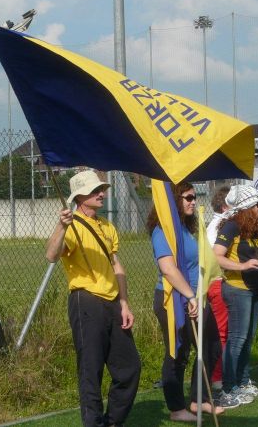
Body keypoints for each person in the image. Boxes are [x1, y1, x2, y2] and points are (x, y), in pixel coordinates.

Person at [46, 170, 141, 427]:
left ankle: (111, 422)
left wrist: (124, 303)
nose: (102, 193)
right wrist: (60, 225)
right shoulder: (72, 225)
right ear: (79, 196)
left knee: (129, 368)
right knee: (91, 371)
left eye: (102, 189)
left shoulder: (108, 226)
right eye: (95, 190)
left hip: (113, 303)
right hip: (85, 301)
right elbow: (52, 255)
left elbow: (117, 266)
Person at [148, 182, 231, 423]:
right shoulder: (162, 231)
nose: (193, 201)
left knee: (212, 345)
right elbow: (168, 269)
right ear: (174, 201)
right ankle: (176, 408)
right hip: (174, 300)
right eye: (187, 197)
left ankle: (199, 399)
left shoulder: (185, 229)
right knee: (178, 353)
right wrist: (189, 296)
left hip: (196, 298)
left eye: (194, 197)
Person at [213, 184, 258, 405]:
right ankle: (229, 387)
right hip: (237, 290)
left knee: (247, 339)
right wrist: (243, 267)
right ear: (246, 207)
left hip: (254, 290)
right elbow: (217, 256)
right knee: (237, 339)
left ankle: (243, 382)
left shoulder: (253, 228)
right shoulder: (231, 227)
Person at [206, 185, 231, 392]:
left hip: (219, 281)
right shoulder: (219, 226)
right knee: (221, 333)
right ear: (225, 206)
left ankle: (223, 376)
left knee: (226, 332)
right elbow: (218, 257)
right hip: (217, 282)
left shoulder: (220, 224)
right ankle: (217, 379)